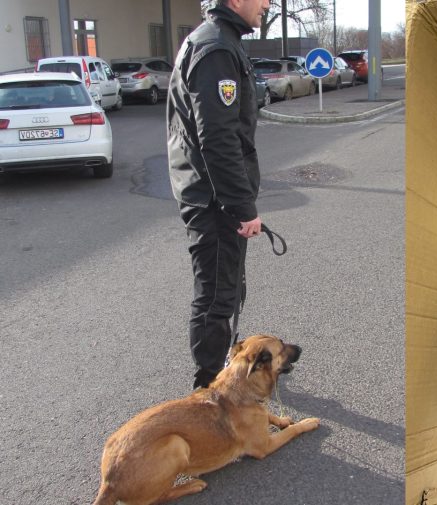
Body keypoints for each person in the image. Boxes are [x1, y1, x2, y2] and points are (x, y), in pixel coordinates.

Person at [167, 0, 271, 389]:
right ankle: (209, 390)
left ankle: (222, 371)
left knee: (227, 287)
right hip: (213, 200)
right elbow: (218, 139)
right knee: (215, 296)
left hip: (211, 194)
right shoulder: (216, 48)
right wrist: (242, 207)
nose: (267, 3)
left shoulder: (220, 40)